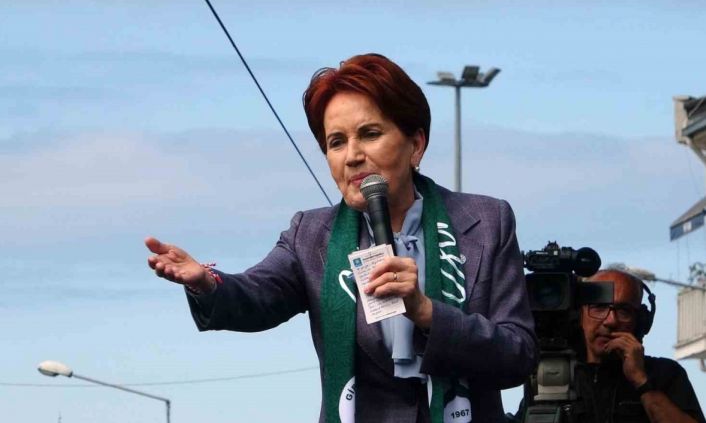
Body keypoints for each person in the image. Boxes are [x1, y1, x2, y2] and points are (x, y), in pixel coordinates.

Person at [145, 53, 537, 423]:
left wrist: (427, 312)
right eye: (336, 142)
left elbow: (518, 354)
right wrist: (205, 283)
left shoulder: (487, 222)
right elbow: (254, 296)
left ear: (416, 144)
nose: (352, 156)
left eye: (370, 134)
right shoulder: (311, 236)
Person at [575, 269, 705, 422]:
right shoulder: (555, 373)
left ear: (641, 321)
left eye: (624, 311)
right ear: (579, 315)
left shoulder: (665, 374)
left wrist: (641, 380)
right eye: (599, 307)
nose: (611, 321)